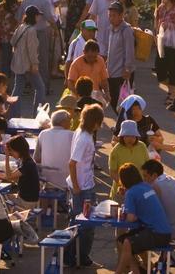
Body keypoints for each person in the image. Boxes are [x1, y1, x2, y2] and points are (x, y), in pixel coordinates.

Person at [114, 163, 172, 274]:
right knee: (122, 240)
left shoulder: (131, 193)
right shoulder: (146, 186)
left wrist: (128, 208)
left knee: (127, 243)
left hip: (157, 233)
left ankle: (120, 272)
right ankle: (138, 271)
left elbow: (130, 218)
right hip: (165, 231)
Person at [67, 105, 105, 268]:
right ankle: (80, 257)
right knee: (85, 225)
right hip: (82, 187)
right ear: (95, 122)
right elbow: (72, 163)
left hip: (83, 184)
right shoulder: (84, 138)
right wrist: (77, 186)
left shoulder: (81, 132)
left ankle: (70, 256)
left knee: (77, 223)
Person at [99, 1, 136, 111]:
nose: (111, 18)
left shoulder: (126, 30)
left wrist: (127, 69)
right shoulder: (111, 29)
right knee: (114, 101)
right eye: (109, 16)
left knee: (122, 102)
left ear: (121, 15)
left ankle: (123, 125)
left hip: (122, 73)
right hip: (111, 71)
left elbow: (129, 51)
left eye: (114, 16)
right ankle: (120, 125)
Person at [141, 159, 175, 242]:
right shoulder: (172, 180)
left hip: (172, 232)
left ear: (154, 175)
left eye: (145, 176)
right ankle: (165, 255)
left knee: (138, 235)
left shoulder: (155, 186)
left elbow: (147, 209)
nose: (144, 179)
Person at [10, 6, 46, 114]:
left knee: (17, 89)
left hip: (18, 63)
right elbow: (32, 49)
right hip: (29, 65)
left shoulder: (21, 27)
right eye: (38, 15)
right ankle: (37, 114)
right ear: (34, 16)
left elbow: (12, 42)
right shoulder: (31, 30)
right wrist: (34, 64)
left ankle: (14, 114)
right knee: (40, 88)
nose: (39, 18)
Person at [35, 109, 75, 189]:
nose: (71, 123)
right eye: (69, 121)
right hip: (66, 181)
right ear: (63, 122)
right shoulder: (72, 135)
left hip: (47, 180)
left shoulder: (43, 134)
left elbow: (36, 158)